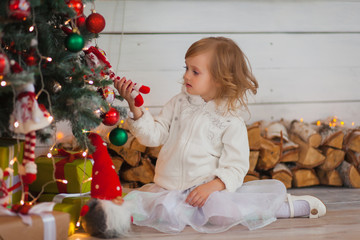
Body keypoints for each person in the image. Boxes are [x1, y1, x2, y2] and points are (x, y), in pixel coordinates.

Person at [111, 37, 326, 234]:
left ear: (220, 79)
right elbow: (153, 137)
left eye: (195, 71)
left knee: (225, 214)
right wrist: (134, 106)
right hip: (167, 189)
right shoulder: (178, 103)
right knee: (141, 208)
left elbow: (236, 166)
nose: (186, 75)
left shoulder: (231, 120)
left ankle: (282, 207)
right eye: (186, 68)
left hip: (206, 191)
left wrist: (212, 187)